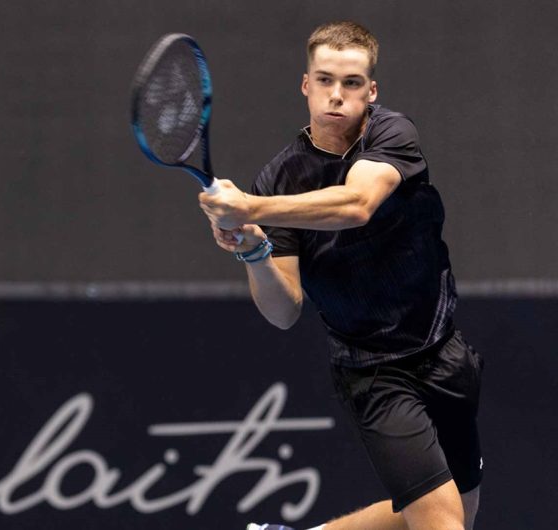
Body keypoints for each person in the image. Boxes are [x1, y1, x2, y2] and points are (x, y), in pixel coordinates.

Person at [198, 21, 484, 530]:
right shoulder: (281, 177)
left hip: (443, 352)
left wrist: (249, 206)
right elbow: (284, 310)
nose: (337, 95)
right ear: (306, 86)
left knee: (463, 507)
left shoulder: (393, 133)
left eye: (351, 83)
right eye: (325, 80)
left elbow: (356, 204)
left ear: (371, 91)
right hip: (372, 372)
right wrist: (256, 251)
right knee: (442, 523)